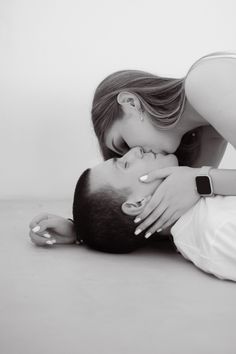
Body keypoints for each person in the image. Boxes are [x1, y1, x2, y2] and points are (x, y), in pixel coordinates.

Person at [30, 51, 236, 244]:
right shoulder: (208, 130)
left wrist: (200, 181)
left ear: (130, 103)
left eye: (121, 144)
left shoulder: (205, 82)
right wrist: (84, 231)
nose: (132, 152)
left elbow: (200, 185)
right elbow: (170, 212)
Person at [29, 148, 236, 281]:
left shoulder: (197, 215)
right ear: (139, 203)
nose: (135, 150)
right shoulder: (218, 232)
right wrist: (202, 179)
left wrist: (80, 230)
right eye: (125, 164)